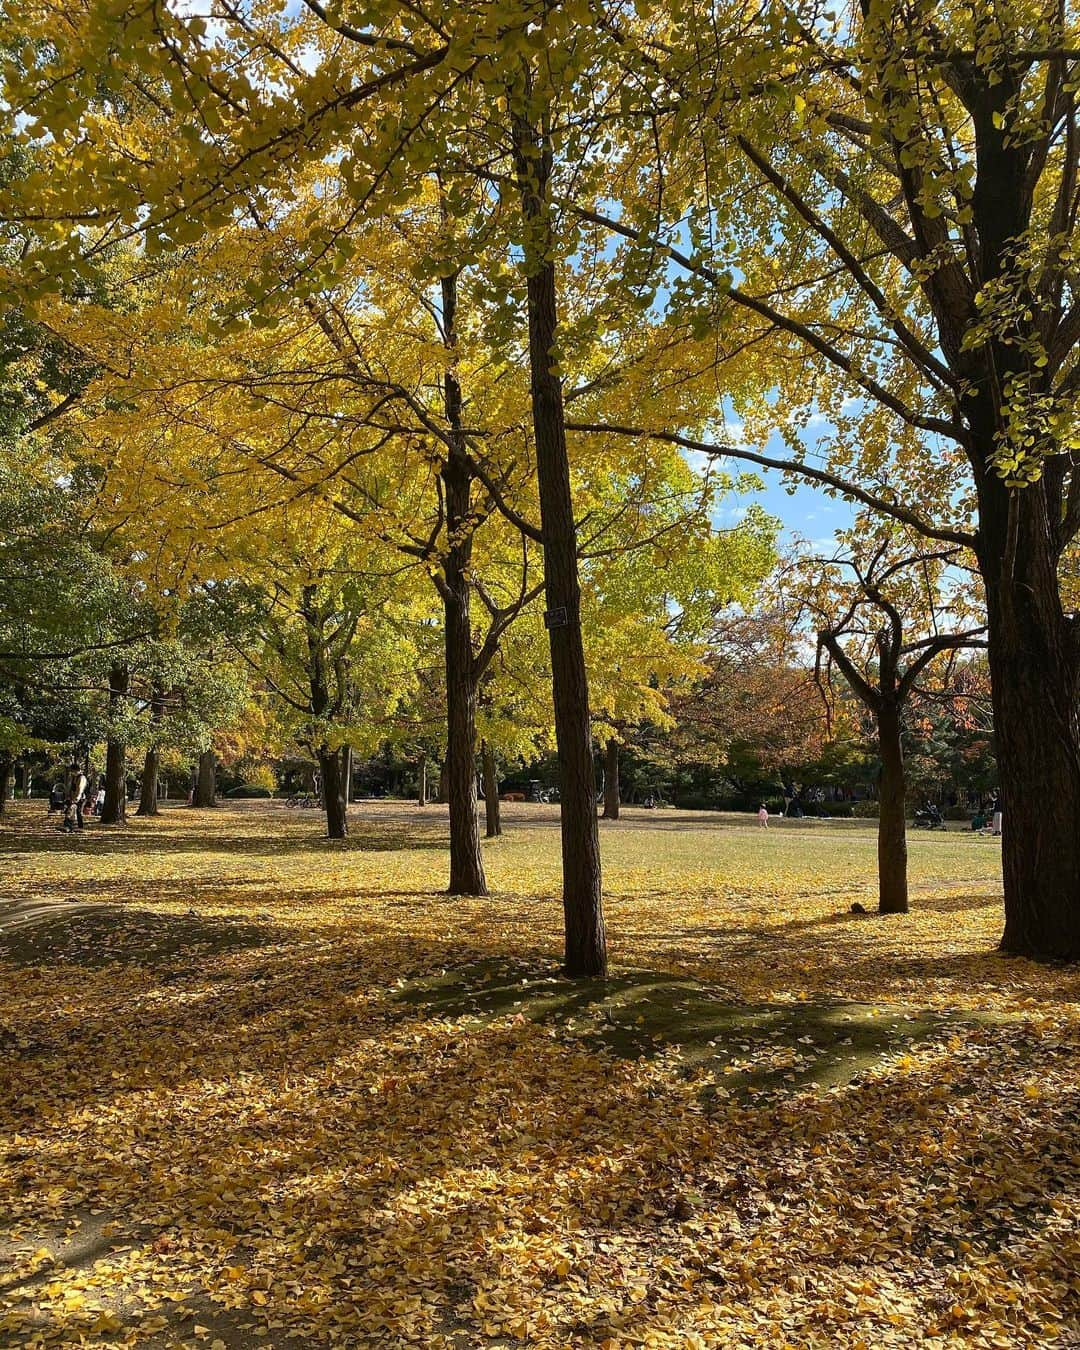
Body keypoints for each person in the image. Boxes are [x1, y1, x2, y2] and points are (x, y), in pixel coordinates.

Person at [64, 761, 88, 832]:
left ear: (76, 770)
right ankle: (71, 826)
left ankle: (79, 827)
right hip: (74, 797)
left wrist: (76, 798)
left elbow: (80, 789)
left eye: (72, 771)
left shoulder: (81, 778)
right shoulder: (75, 777)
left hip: (80, 798)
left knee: (78, 812)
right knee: (72, 811)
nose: (71, 772)